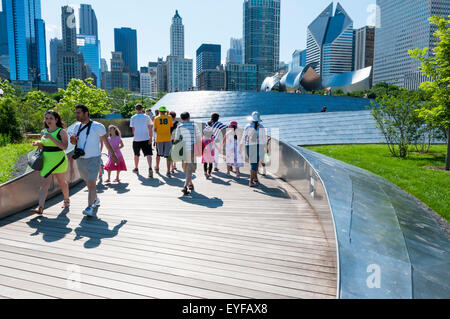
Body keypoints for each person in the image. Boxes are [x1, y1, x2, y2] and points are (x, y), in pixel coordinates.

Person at [70, 104, 118, 217]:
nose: (76, 115)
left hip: (94, 158)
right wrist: (73, 141)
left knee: (91, 183)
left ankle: (89, 207)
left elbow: (106, 142)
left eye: (78, 113)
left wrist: (114, 156)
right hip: (81, 159)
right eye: (76, 112)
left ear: (86, 113)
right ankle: (95, 199)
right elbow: (74, 143)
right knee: (89, 184)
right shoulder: (77, 126)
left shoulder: (98, 126)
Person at [30, 110, 70, 215]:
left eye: (51, 118)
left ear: (56, 119)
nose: (48, 120)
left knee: (62, 182)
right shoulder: (43, 131)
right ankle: (40, 207)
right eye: (46, 118)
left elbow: (65, 147)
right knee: (44, 184)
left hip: (59, 160)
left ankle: (66, 200)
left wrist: (52, 137)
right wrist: (38, 143)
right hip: (46, 160)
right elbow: (43, 145)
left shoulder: (62, 132)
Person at [174, 112, 201, 195]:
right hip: (192, 149)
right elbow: (199, 138)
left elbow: (176, 139)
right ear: (189, 117)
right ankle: (185, 185)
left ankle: (189, 184)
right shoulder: (194, 126)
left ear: (181, 119)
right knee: (189, 167)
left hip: (183, 149)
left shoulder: (180, 127)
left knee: (186, 167)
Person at [242, 111, 267, 188]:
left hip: (249, 146)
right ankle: (251, 181)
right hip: (258, 146)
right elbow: (264, 139)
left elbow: (243, 138)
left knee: (253, 163)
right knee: (254, 164)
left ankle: (255, 179)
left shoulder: (247, 126)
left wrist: (240, 148)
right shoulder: (261, 127)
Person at [130, 104, 154, 178]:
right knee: (148, 154)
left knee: (136, 154)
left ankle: (136, 168)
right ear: (142, 109)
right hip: (146, 138)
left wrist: (136, 135)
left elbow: (133, 129)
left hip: (136, 139)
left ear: (136, 109)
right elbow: (150, 128)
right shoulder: (146, 117)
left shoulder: (133, 117)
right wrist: (150, 138)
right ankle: (150, 168)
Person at [154, 106, 173, 177]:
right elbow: (171, 126)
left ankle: (157, 167)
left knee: (158, 154)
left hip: (159, 138)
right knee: (168, 156)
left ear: (159, 111)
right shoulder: (169, 117)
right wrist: (167, 114)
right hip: (168, 138)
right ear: (165, 111)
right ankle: (168, 171)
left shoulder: (156, 118)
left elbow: (155, 129)